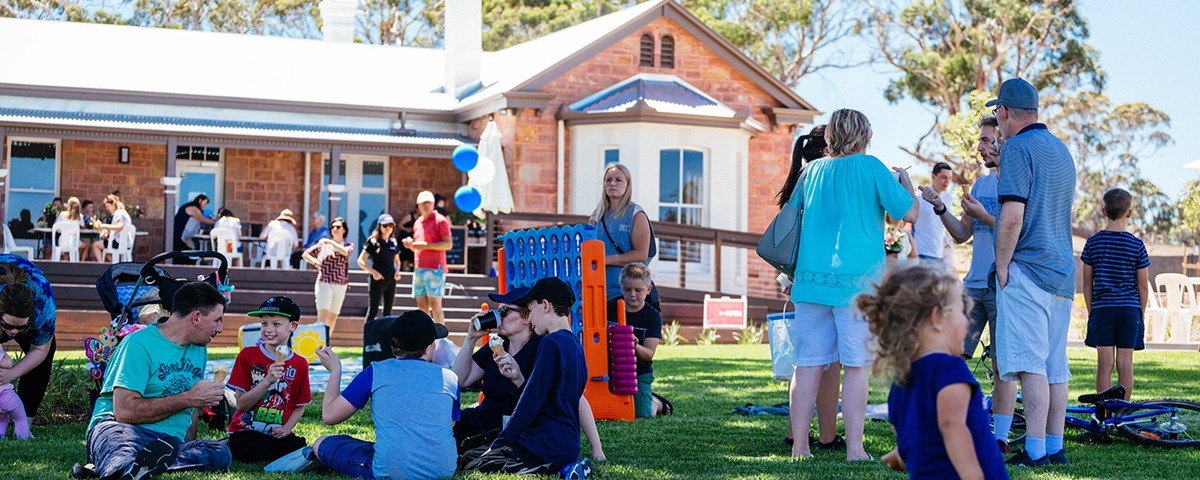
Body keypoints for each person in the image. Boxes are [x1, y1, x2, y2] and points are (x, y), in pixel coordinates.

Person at [786, 109, 918, 461]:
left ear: (831, 135)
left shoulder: (810, 171)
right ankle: (854, 448)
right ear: (864, 135)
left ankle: (800, 447)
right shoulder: (872, 167)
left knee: (808, 364)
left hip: (810, 281)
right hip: (859, 286)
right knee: (856, 366)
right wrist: (904, 181)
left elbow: (792, 214)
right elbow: (910, 213)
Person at [989, 78, 1076, 466]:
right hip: (1062, 272)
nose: (997, 121)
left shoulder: (1017, 148)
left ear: (1005, 112)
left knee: (1029, 367)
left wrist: (1002, 266)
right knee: (1056, 368)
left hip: (1029, 270)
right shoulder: (1061, 150)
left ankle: (1035, 450)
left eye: (997, 113)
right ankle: (1055, 448)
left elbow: (1012, 215)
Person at [922, 115, 1019, 452]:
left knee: (1002, 363)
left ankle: (1001, 437)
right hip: (973, 285)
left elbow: (1018, 233)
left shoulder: (1019, 182)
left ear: (1004, 141)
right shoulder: (980, 185)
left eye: (986, 140)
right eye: (980, 140)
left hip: (1004, 284)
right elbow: (962, 234)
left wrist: (984, 217)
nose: (980, 147)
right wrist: (939, 209)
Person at [864, 264, 1008, 480]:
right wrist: (973, 475)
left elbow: (916, 438)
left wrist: (901, 456)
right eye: (961, 311)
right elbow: (951, 425)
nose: (968, 322)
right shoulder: (950, 368)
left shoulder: (900, 384)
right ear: (935, 318)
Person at [76, 282, 231, 479]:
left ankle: (128, 468)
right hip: (122, 430)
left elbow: (189, 410)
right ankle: (124, 467)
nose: (220, 329)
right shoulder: (138, 345)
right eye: (217, 320)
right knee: (119, 449)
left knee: (219, 453)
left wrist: (188, 441)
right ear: (197, 318)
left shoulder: (198, 348)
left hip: (166, 443)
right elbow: (124, 412)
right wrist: (189, 398)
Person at [454, 286, 605, 458]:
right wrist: (470, 339)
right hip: (484, 419)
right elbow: (460, 381)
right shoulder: (496, 346)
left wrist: (596, 448)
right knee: (447, 425)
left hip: (516, 427)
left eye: (504, 311)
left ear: (527, 317)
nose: (498, 316)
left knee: (472, 455)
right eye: (498, 310)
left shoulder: (543, 347)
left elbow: (575, 397)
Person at [312, 310, 459, 480]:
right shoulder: (450, 378)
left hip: (390, 469)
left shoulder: (376, 371)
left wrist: (335, 369)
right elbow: (447, 426)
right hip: (443, 469)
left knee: (322, 442)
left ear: (393, 347)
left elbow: (329, 416)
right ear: (428, 348)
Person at [776, 125, 848, 452]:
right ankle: (827, 435)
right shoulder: (824, 179)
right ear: (826, 151)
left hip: (800, 277)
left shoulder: (801, 179)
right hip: (825, 279)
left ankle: (797, 433)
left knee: (806, 361)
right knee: (829, 362)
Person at [1081, 188, 1149, 400]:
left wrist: (1093, 311)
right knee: (1125, 363)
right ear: (1128, 213)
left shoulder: (1093, 243)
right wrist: (1141, 313)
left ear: (1104, 211)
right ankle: (1123, 413)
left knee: (1105, 364)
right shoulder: (1137, 245)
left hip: (1102, 310)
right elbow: (1143, 286)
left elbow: (1086, 284)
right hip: (1129, 310)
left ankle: (1103, 414)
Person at [227, 296, 311, 463]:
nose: (268, 329)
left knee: (299, 448)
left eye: (276, 324)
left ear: (292, 326)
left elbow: (299, 406)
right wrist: (267, 382)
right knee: (257, 449)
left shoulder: (300, 364)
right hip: (246, 431)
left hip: (276, 433)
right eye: (264, 323)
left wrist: (286, 429)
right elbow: (241, 404)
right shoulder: (247, 355)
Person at [590, 163, 660, 310]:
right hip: (599, 291)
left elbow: (641, 254)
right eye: (608, 180)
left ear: (627, 184)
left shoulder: (635, 214)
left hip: (628, 294)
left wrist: (607, 260)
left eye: (618, 180)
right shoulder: (596, 216)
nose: (612, 183)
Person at [0, 254, 58, 422]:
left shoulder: (44, 305)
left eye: (20, 327)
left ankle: (24, 420)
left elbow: (40, 350)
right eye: (9, 326)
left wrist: (10, 374)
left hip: (35, 295)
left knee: (47, 353)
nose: (13, 332)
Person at [606, 263, 668, 418]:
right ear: (621, 288)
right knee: (613, 410)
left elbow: (648, 354)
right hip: (611, 370)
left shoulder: (652, 316)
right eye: (627, 289)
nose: (632, 294)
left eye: (638, 290)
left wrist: (634, 345)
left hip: (638, 372)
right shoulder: (609, 309)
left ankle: (656, 402)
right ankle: (643, 396)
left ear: (648, 290)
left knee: (642, 414)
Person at [404, 191, 452, 324]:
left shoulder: (440, 220)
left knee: (435, 304)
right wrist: (411, 245)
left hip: (435, 268)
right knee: (421, 305)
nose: (426, 205)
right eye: (423, 203)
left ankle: (439, 338)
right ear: (418, 205)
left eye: (429, 203)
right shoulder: (417, 222)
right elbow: (419, 247)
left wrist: (425, 245)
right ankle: (426, 337)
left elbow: (448, 244)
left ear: (433, 204)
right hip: (419, 268)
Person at [302, 217, 353, 335]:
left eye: (338, 227)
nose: (335, 229)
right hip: (324, 282)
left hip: (340, 284)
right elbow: (306, 254)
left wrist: (330, 241)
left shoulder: (347, 245)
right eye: (333, 227)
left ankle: (327, 343)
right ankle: (319, 343)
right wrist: (315, 263)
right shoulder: (323, 245)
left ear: (344, 230)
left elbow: (345, 252)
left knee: (333, 316)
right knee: (323, 317)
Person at [358, 214, 402, 323]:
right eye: (385, 225)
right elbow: (361, 261)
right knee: (373, 309)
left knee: (387, 311)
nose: (388, 228)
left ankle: (385, 336)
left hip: (391, 279)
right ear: (379, 226)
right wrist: (373, 273)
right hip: (377, 280)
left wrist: (397, 271)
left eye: (390, 226)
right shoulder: (373, 242)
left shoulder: (393, 242)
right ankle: (368, 336)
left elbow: (397, 260)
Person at [913, 163, 954, 267]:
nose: (947, 181)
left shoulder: (949, 199)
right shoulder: (918, 198)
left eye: (949, 178)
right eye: (943, 177)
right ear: (933, 177)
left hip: (940, 257)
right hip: (921, 255)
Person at [0, 343, 30, 439]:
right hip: (5, 395)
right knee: (20, 418)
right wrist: (2, 350)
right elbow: (7, 363)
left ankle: (1, 435)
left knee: (2, 419)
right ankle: (23, 437)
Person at [91, 194, 134, 262]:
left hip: (118, 242)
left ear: (113, 204)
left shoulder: (118, 213)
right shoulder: (123, 212)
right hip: (126, 243)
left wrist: (103, 226)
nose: (107, 209)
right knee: (106, 250)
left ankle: (101, 265)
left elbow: (119, 227)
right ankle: (115, 263)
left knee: (95, 245)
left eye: (108, 206)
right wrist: (107, 232)